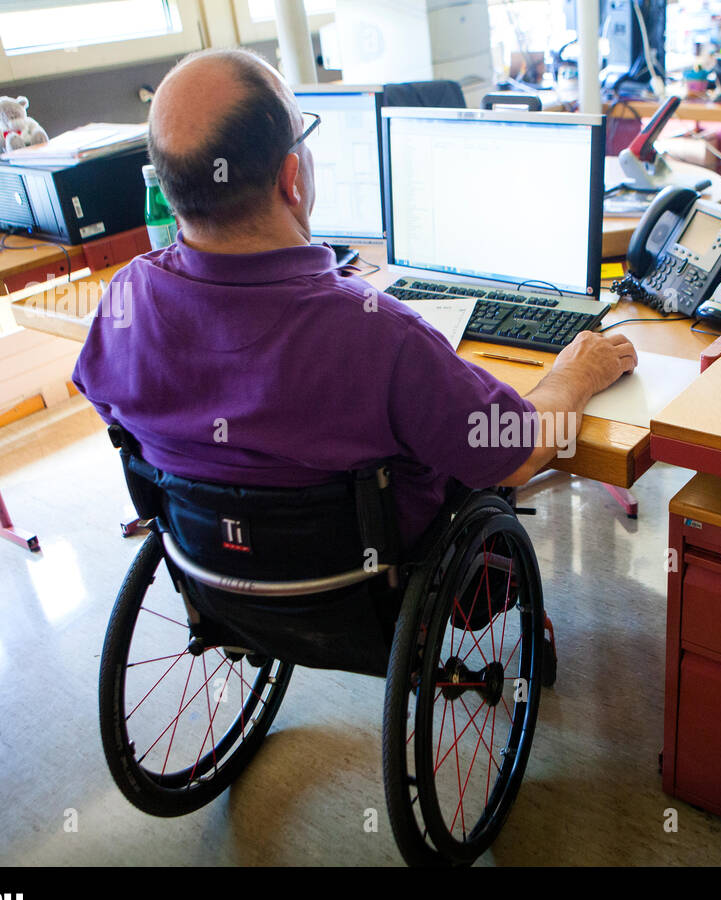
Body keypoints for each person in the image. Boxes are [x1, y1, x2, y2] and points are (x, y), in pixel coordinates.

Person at [73, 48, 637, 547]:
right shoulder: (379, 335)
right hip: (383, 586)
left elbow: (114, 411)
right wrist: (575, 374)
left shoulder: (125, 299)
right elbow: (518, 454)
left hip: (217, 575)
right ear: (291, 178)